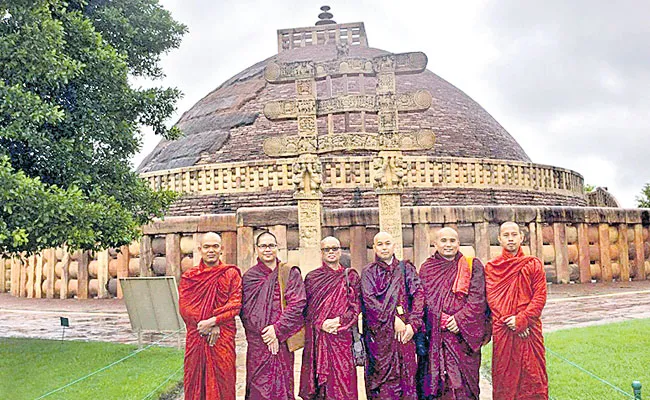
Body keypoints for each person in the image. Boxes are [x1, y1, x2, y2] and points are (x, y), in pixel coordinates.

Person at [417, 227, 489, 400]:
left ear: (458, 243)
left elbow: (478, 299)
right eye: (443, 241)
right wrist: (438, 318)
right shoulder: (427, 268)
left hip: (462, 338)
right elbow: (423, 300)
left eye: (452, 241)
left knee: (464, 386)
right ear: (435, 244)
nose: (448, 245)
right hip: (437, 338)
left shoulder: (473, 266)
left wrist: (459, 319)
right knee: (440, 385)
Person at [485, 222, 548, 400]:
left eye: (514, 234)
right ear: (499, 239)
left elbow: (540, 297)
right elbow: (493, 299)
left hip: (529, 329)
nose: (510, 238)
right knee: (505, 376)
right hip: (505, 328)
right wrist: (513, 322)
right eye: (506, 235)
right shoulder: (492, 267)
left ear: (522, 237)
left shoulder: (533, 264)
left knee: (533, 375)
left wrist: (523, 320)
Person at [240, 231, 307, 399]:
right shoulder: (249, 277)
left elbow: (297, 304)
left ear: (277, 248)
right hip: (259, 343)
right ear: (256, 249)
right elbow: (246, 313)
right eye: (263, 246)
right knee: (258, 386)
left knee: (282, 384)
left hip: (282, 340)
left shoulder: (289, 272)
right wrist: (267, 334)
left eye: (271, 245)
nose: (267, 249)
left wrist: (277, 330)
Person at [361, 231, 424, 400]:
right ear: (374, 248)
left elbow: (418, 294)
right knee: (382, 382)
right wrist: (392, 319)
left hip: (405, 332)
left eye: (387, 243)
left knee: (407, 377)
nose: (384, 247)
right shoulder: (368, 272)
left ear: (394, 245)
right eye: (379, 244)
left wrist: (413, 324)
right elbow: (369, 300)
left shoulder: (406, 269)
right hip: (380, 337)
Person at [179, 232, 242, 400]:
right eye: (207, 247)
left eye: (215, 246)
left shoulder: (231, 274)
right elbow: (185, 308)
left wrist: (215, 322)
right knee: (195, 381)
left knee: (224, 381)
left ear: (221, 249)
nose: (211, 250)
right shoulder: (190, 277)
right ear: (200, 249)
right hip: (197, 336)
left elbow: (235, 304)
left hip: (222, 337)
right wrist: (205, 325)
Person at [299, 236, 361, 399]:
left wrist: (339, 321)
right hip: (321, 338)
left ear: (340, 251)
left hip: (343, 338)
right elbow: (306, 311)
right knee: (324, 386)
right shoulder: (312, 278)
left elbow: (356, 307)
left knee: (345, 382)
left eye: (335, 248)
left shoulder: (351, 276)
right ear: (321, 253)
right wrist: (321, 324)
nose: (331, 252)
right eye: (327, 249)